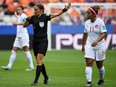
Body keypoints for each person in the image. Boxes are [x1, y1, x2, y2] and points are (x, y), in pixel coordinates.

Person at [23, 3, 71, 86]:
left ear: (41, 11)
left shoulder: (46, 16)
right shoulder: (32, 18)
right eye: (34, 10)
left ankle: (35, 81)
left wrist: (65, 9)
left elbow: (56, 14)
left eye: (36, 10)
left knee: (39, 60)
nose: (34, 11)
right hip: (35, 42)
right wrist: (27, 20)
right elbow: (24, 26)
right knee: (39, 61)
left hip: (43, 41)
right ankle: (46, 77)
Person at [1, 6, 34, 71]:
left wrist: (16, 24)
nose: (18, 10)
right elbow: (19, 17)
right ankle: (9, 66)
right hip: (18, 36)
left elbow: (26, 23)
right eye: (17, 9)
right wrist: (16, 15)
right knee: (13, 51)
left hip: (23, 36)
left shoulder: (23, 15)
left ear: (22, 10)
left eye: (19, 9)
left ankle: (31, 66)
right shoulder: (20, 16)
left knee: (26, 50)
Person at [82, 5, 107, 87]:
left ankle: (101, 80)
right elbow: (85, 34)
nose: (87, 15)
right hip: (89, 45)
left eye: (88, 13)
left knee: (99, 65)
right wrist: (83, 45)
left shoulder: (100, 22)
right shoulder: (86, 23)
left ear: (93, 14)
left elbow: (104, 33)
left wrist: (97, 41)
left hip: (100, 45)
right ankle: (89, 82)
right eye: (86, 13)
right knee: (88, 62)